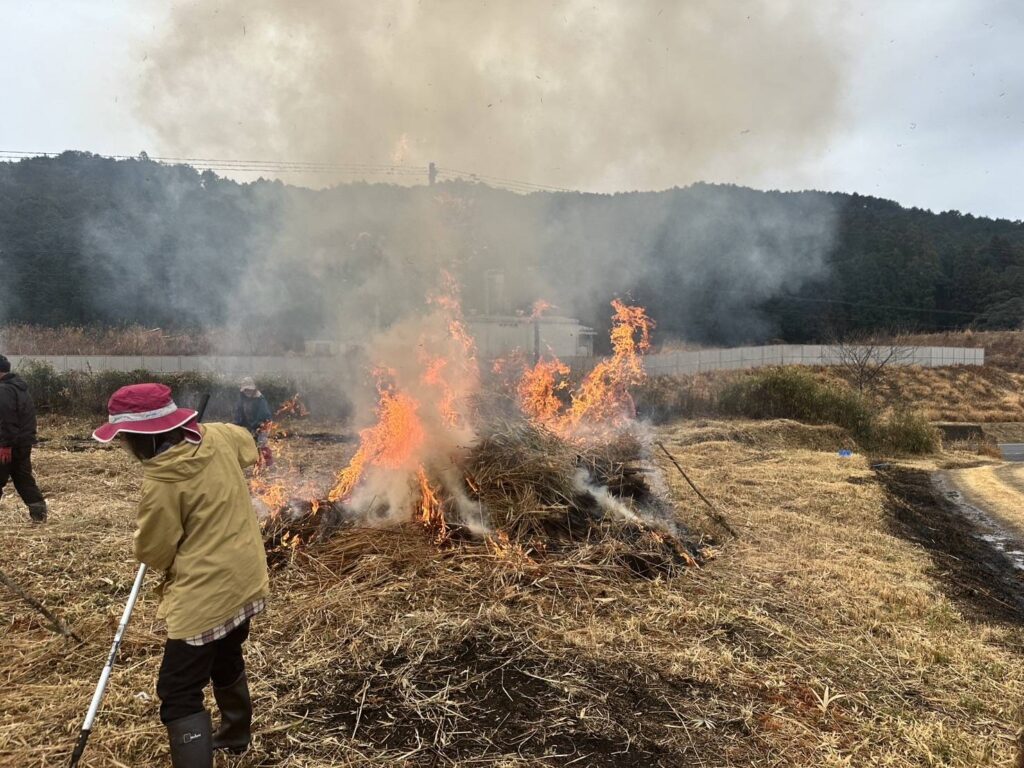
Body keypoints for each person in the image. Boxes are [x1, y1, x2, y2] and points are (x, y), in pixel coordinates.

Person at [92, 383, 269, 767]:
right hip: (245, 578)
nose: (122, 445)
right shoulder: (220, 436)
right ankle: (237, 733)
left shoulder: (162, 482)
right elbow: (248, 445)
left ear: (142, 438)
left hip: (206, 596)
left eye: (123, 438)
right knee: (225, 653)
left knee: (177, 690)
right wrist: (210, 440)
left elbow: (154, 552)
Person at [0, 354, 47, 523]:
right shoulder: (20, 387)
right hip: (23, 443)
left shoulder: (4, 390)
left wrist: (5, 445)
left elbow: (6, 420)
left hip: (8, 446)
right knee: (24, 480)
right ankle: (39, 515)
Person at [233, 377, 274, 467]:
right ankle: (257, 463)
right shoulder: (242, 399)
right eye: (246, 390)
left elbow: (263, 415)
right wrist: (237, 425)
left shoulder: (260, 399)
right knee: (250, 444)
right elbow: (239, 413)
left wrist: (255, 426)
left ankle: (269, 464)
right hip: (251, 424)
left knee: (262, 443)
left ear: (253, 389)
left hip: (263, 424)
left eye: (250, 390)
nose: (248, 392)